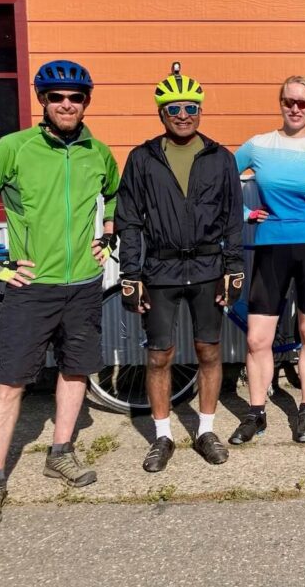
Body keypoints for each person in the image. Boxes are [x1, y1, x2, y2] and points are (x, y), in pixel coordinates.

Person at [0, 60, 120, 528]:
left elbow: (116, 193)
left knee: (76, 369)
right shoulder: (15, 148)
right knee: (12, 381)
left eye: (76, 97)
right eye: (57, 96)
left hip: (83, 284)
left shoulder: (96, 151)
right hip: (32, 286)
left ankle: (60, 452)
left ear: (86, 102)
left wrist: (106, 236)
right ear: (42, 100)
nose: (67, 104)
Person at [115, 64, 244, 472]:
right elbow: (129, 219)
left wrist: (234, 267)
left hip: (208, 268)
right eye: (174, 108)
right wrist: (131, 273)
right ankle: (163, 436)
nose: (183, 114)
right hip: (160, 270)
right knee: (158, 356)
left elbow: (233, 218)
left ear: (200, 110)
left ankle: (206, 430)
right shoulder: (142, 158)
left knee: (209, 350)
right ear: (161, 113)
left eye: (191, 106)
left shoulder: (221, 157)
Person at [230, 75, 305, 444]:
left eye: (303, 103)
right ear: (280, 103)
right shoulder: (259, 145)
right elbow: (222, 178)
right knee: (258, 339)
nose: (295, 109)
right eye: (289, 102)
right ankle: (256, 413)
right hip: (271, 249)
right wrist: (247, 213)